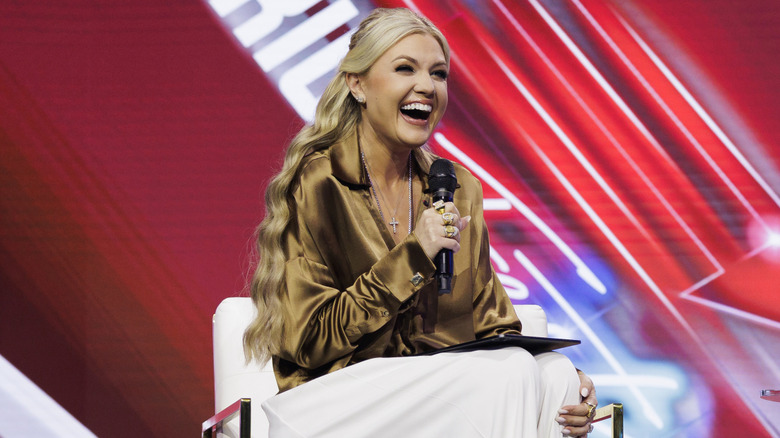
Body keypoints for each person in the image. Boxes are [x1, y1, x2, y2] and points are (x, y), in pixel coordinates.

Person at [244, 7, 598, 437]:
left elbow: (493, 325)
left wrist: (569, 384)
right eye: (405, 68)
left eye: (439, 74)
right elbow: (311, 341)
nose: (426, 87)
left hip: (434, 392)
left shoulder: (456, 187)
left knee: (555, 375)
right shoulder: (320, 182)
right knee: (505, 373)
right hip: (330, 398)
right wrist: (414, 255)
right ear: (358, 84)